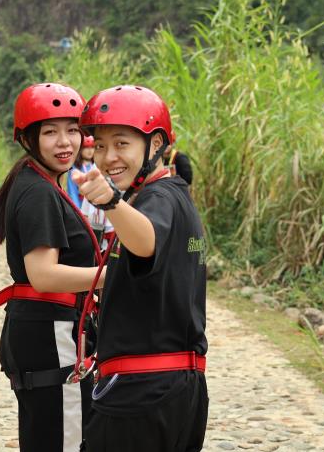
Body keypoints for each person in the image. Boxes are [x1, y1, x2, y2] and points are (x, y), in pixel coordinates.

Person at [73, 85, 208, 452]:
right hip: (179, 390)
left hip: (140, 394)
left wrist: (111, 202)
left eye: (122, 143)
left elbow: (147, 240)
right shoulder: (176, 195)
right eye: (100, 146)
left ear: (156, 144)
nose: (108, 157)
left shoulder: (157, 198)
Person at [0, 83, 105, 452]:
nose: (65, 142)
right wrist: (111, 277)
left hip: (43, 330)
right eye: (50, 132)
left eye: (72, 130)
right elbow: (43, 274)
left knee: (47, 436)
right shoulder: (39, 192)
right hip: (52, 333)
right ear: (28, 139)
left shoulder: (37, 181)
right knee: (65, 440)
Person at [66, 135, 96, 207]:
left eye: (92, 147)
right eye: (86, 147)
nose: (90, 151)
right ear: (80, 149)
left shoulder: (96, 166)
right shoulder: (74, 169)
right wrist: (77, 210)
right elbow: (72, 192)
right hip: (80, 206)